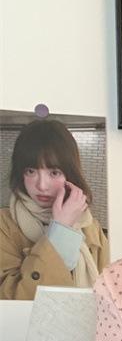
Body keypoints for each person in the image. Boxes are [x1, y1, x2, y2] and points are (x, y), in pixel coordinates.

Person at [0, 118, 109, 300]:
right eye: (31, 171)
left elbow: (109, 292)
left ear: (70, 175)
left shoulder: (90, 226)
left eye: (54, 172)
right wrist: (61, 230)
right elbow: (10, 299)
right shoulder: (5, 224)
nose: (42, 186)